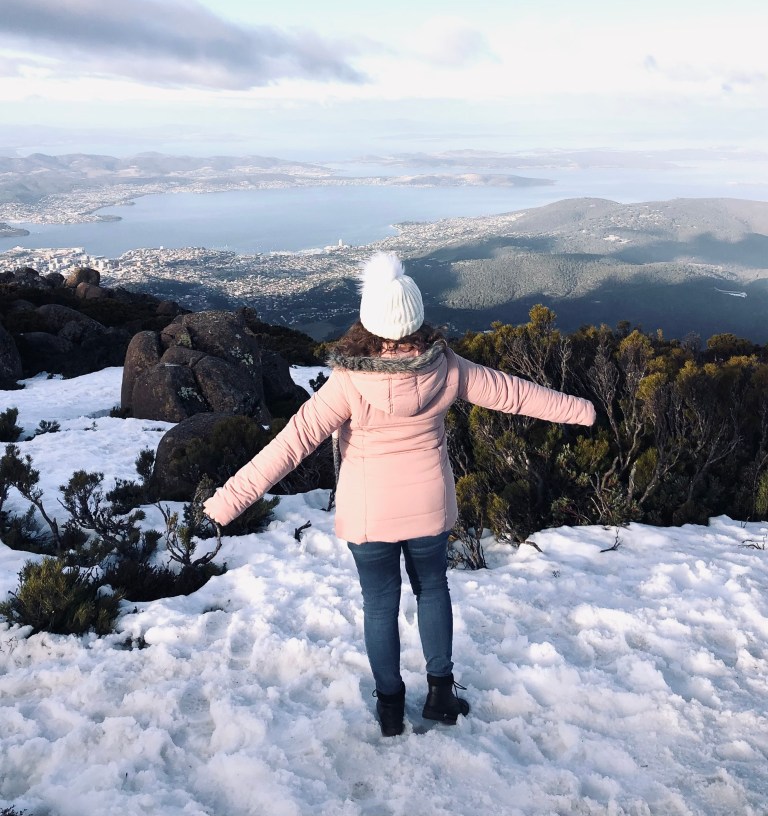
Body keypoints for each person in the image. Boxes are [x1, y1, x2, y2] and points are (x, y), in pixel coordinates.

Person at [204, 252, 596, 737]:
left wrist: (228, 502)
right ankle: (440, 694)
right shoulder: (447, 368)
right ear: (416, 315)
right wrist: (583, 410)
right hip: (429, 506)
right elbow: (515, 394)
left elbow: (292, 444)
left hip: (368, 514)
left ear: (369, 319)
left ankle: (390, 706)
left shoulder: (347, 382)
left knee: (379, 605)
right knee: (433, 589)